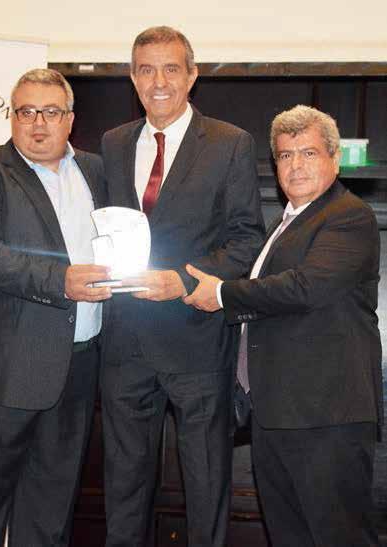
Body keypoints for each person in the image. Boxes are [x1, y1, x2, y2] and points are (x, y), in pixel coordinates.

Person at [184, 105, 383, 547]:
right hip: (276, 414)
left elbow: (305, 288)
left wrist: (222, 294)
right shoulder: (285, 223)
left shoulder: (349, 216)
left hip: (325, 418)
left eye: (309, 153)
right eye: (285, 155)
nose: (296, 165)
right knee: (288, 536)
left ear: (334, 159)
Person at [100, 26, 265, 547]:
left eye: (171, 68)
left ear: (192, 76)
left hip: (197, 343)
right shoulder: (113, 143)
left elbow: (247, 240)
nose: (159, 81)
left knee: (206, 489)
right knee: (123, 493)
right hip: (124, 346)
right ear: (133, 78)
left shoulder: (230, 143)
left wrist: (181, 280)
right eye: (146, 70)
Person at [0, 68, 109, 547]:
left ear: (71, 119)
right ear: (12, 117)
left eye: (51, 112)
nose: (38, 123)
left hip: (78, 370)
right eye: (26, 112)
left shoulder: (97, 171)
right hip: (3, 373)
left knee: (49, 521)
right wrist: (62, 280)